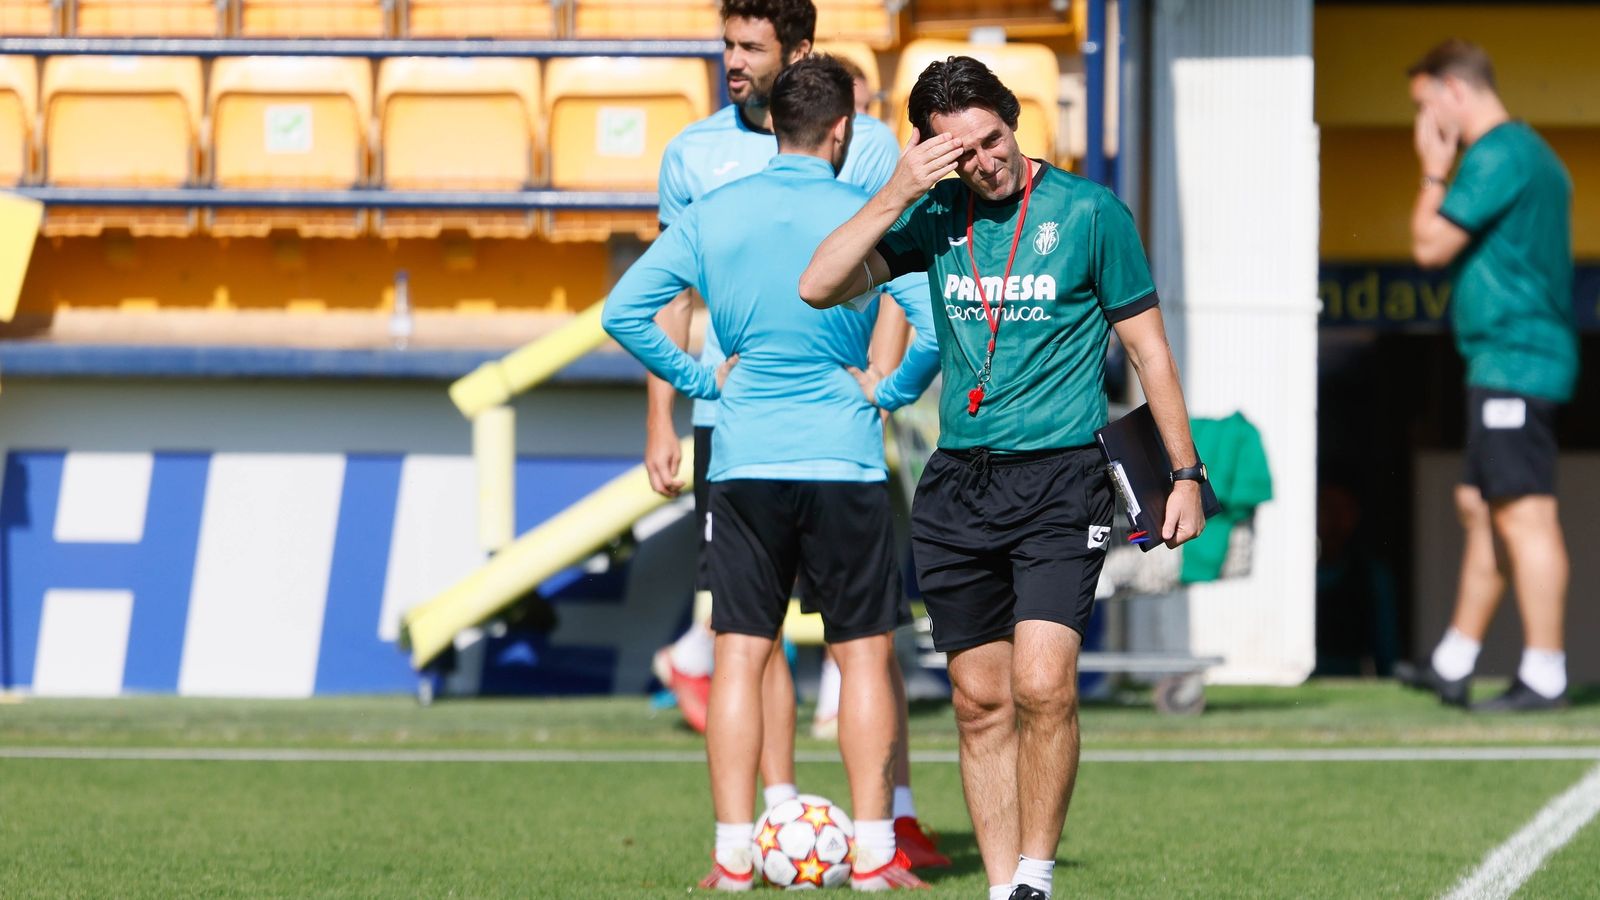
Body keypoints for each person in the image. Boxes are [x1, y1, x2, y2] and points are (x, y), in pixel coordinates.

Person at [799, 56, 1206, 900]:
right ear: (933, 155)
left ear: (1013, 124)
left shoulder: (1091, 213)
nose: (985, 161)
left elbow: (1148, 348)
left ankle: (1036, 875)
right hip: (959, 487)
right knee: (979, 700)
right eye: (961, 151)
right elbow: (818, 285)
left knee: (1042, 683)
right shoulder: (932, 216)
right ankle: (1001, 888)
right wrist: (894, 193)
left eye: (993, 139)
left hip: (1064, 479)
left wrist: (1185, 474)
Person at [605, 56, 939, 891]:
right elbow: (932, 324)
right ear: (841, 132)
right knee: (862, 656)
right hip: (844, 454)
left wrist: (697, 380)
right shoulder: (867, 214)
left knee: (740, 653)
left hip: (745, 454)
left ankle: (730, 855)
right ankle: (871, 855)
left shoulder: (716, 211)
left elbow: (625, 312)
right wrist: (887, 390)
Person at [1397, 39, 1578, 713]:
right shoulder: (1530, 154)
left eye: (1424, 106)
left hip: (1515, 358)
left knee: (1524, 514)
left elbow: (1427, 245)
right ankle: (1455, 659)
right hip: (1508, 356)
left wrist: (1434, 170)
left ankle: (1545, 672)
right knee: (1481, 505)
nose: (1424, 121)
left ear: (1453, 91)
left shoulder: (1498, 152)